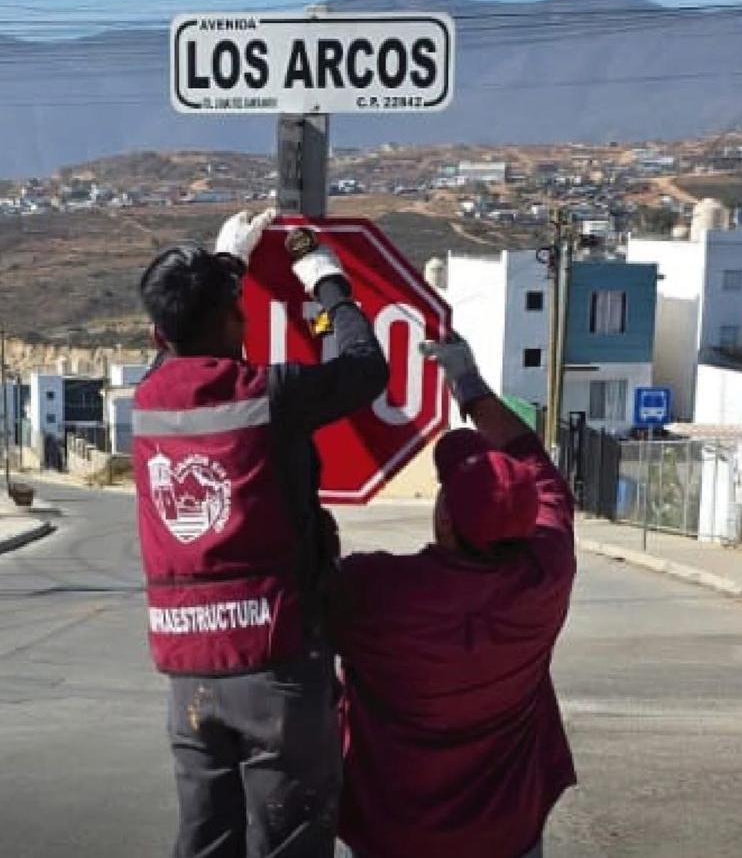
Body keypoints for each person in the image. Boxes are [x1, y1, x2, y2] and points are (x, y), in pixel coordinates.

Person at [133, 208, 389, 858]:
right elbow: (364, 368)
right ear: (228, 320)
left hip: (188, 675)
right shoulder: (266, 393)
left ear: (157, 330)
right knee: (289, 840)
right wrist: (328, 285)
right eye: (238, 310)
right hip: (274, 666)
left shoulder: (148, 398)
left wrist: (230, 265)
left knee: (204, 840)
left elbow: (175, 339)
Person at [330, 333, 577, 858]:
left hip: (394, 835)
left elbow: (299, 571)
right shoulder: (545, 573)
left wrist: (467, 386)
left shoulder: (375, 590)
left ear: (445, 517)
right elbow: (538, 464)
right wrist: (470, 383)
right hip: (507, 835)